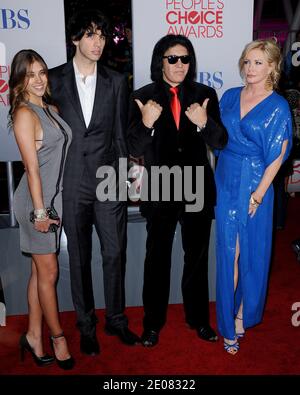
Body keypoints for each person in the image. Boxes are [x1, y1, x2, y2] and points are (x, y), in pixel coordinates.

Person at [48, 9, 140, 356]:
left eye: (101, 36)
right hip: (70, 183)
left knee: (114, 253)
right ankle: (86, 326)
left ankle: (116, 320)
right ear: (75, 39)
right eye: (90, 35)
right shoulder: (53, 81)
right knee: (80, 258)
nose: (98, 42)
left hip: (108, 181)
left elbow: (119, 135)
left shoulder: (117, 81)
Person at [127, 34, 228, 347]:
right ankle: (152, 324)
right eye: (173, 58)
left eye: (185, 59)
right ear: (161, 61)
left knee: (196, 258)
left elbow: (220, 142)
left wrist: (203, 123)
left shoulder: (205, 94)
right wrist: (146, 123)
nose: (180, 64)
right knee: (156, 259)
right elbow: (132, 145)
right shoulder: (142, 96)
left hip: (197, 187)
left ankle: (198, 320)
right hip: (160, 188)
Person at [215, 39, 293, 355]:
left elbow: (278, 154)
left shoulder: (278, 106)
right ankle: (226, 320)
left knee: (252, 251)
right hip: (226, 177)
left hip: (257, 182)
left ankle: (241, 314)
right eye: (247, 61)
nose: (250, 68)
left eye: (258, 62)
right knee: (227, 252)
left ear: (273, 67)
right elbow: (217, 137)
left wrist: (258, 194)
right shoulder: (230, 96)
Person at [9, 49, 74, 369]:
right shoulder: (24, 114)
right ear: (19, 80)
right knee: (49, 272)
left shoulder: (50, 108)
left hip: (52, 200)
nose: (38, 80)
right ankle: (57, 337)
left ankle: (34, 335)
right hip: (36, 203)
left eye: (42, 73)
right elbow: (31, 169)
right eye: (30, 74)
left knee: (39, 272)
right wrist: (39, 212)